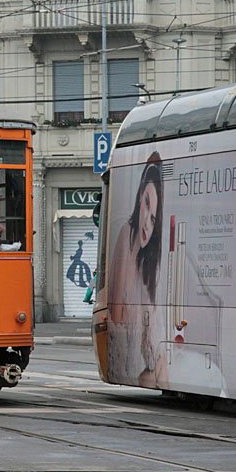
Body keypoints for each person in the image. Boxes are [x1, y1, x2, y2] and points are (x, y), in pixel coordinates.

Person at [108, 152, 164, 385]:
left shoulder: (150, 259)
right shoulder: (126, 234)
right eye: (146, 204)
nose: (146, 225)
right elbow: (117, 316)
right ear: (139, 198)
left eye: (153, 219)